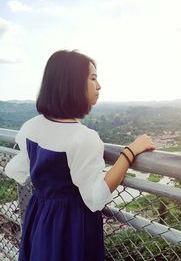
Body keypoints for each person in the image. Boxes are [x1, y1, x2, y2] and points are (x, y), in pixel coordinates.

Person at [5, 50, 156, 261]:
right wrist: (129, 153)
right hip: (71, 224)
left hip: (40, 213)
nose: (99, 85)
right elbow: (95, 197)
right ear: (72, 84)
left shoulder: (32, 126)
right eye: (93, 78)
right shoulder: (83, 137)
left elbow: (21, 169)